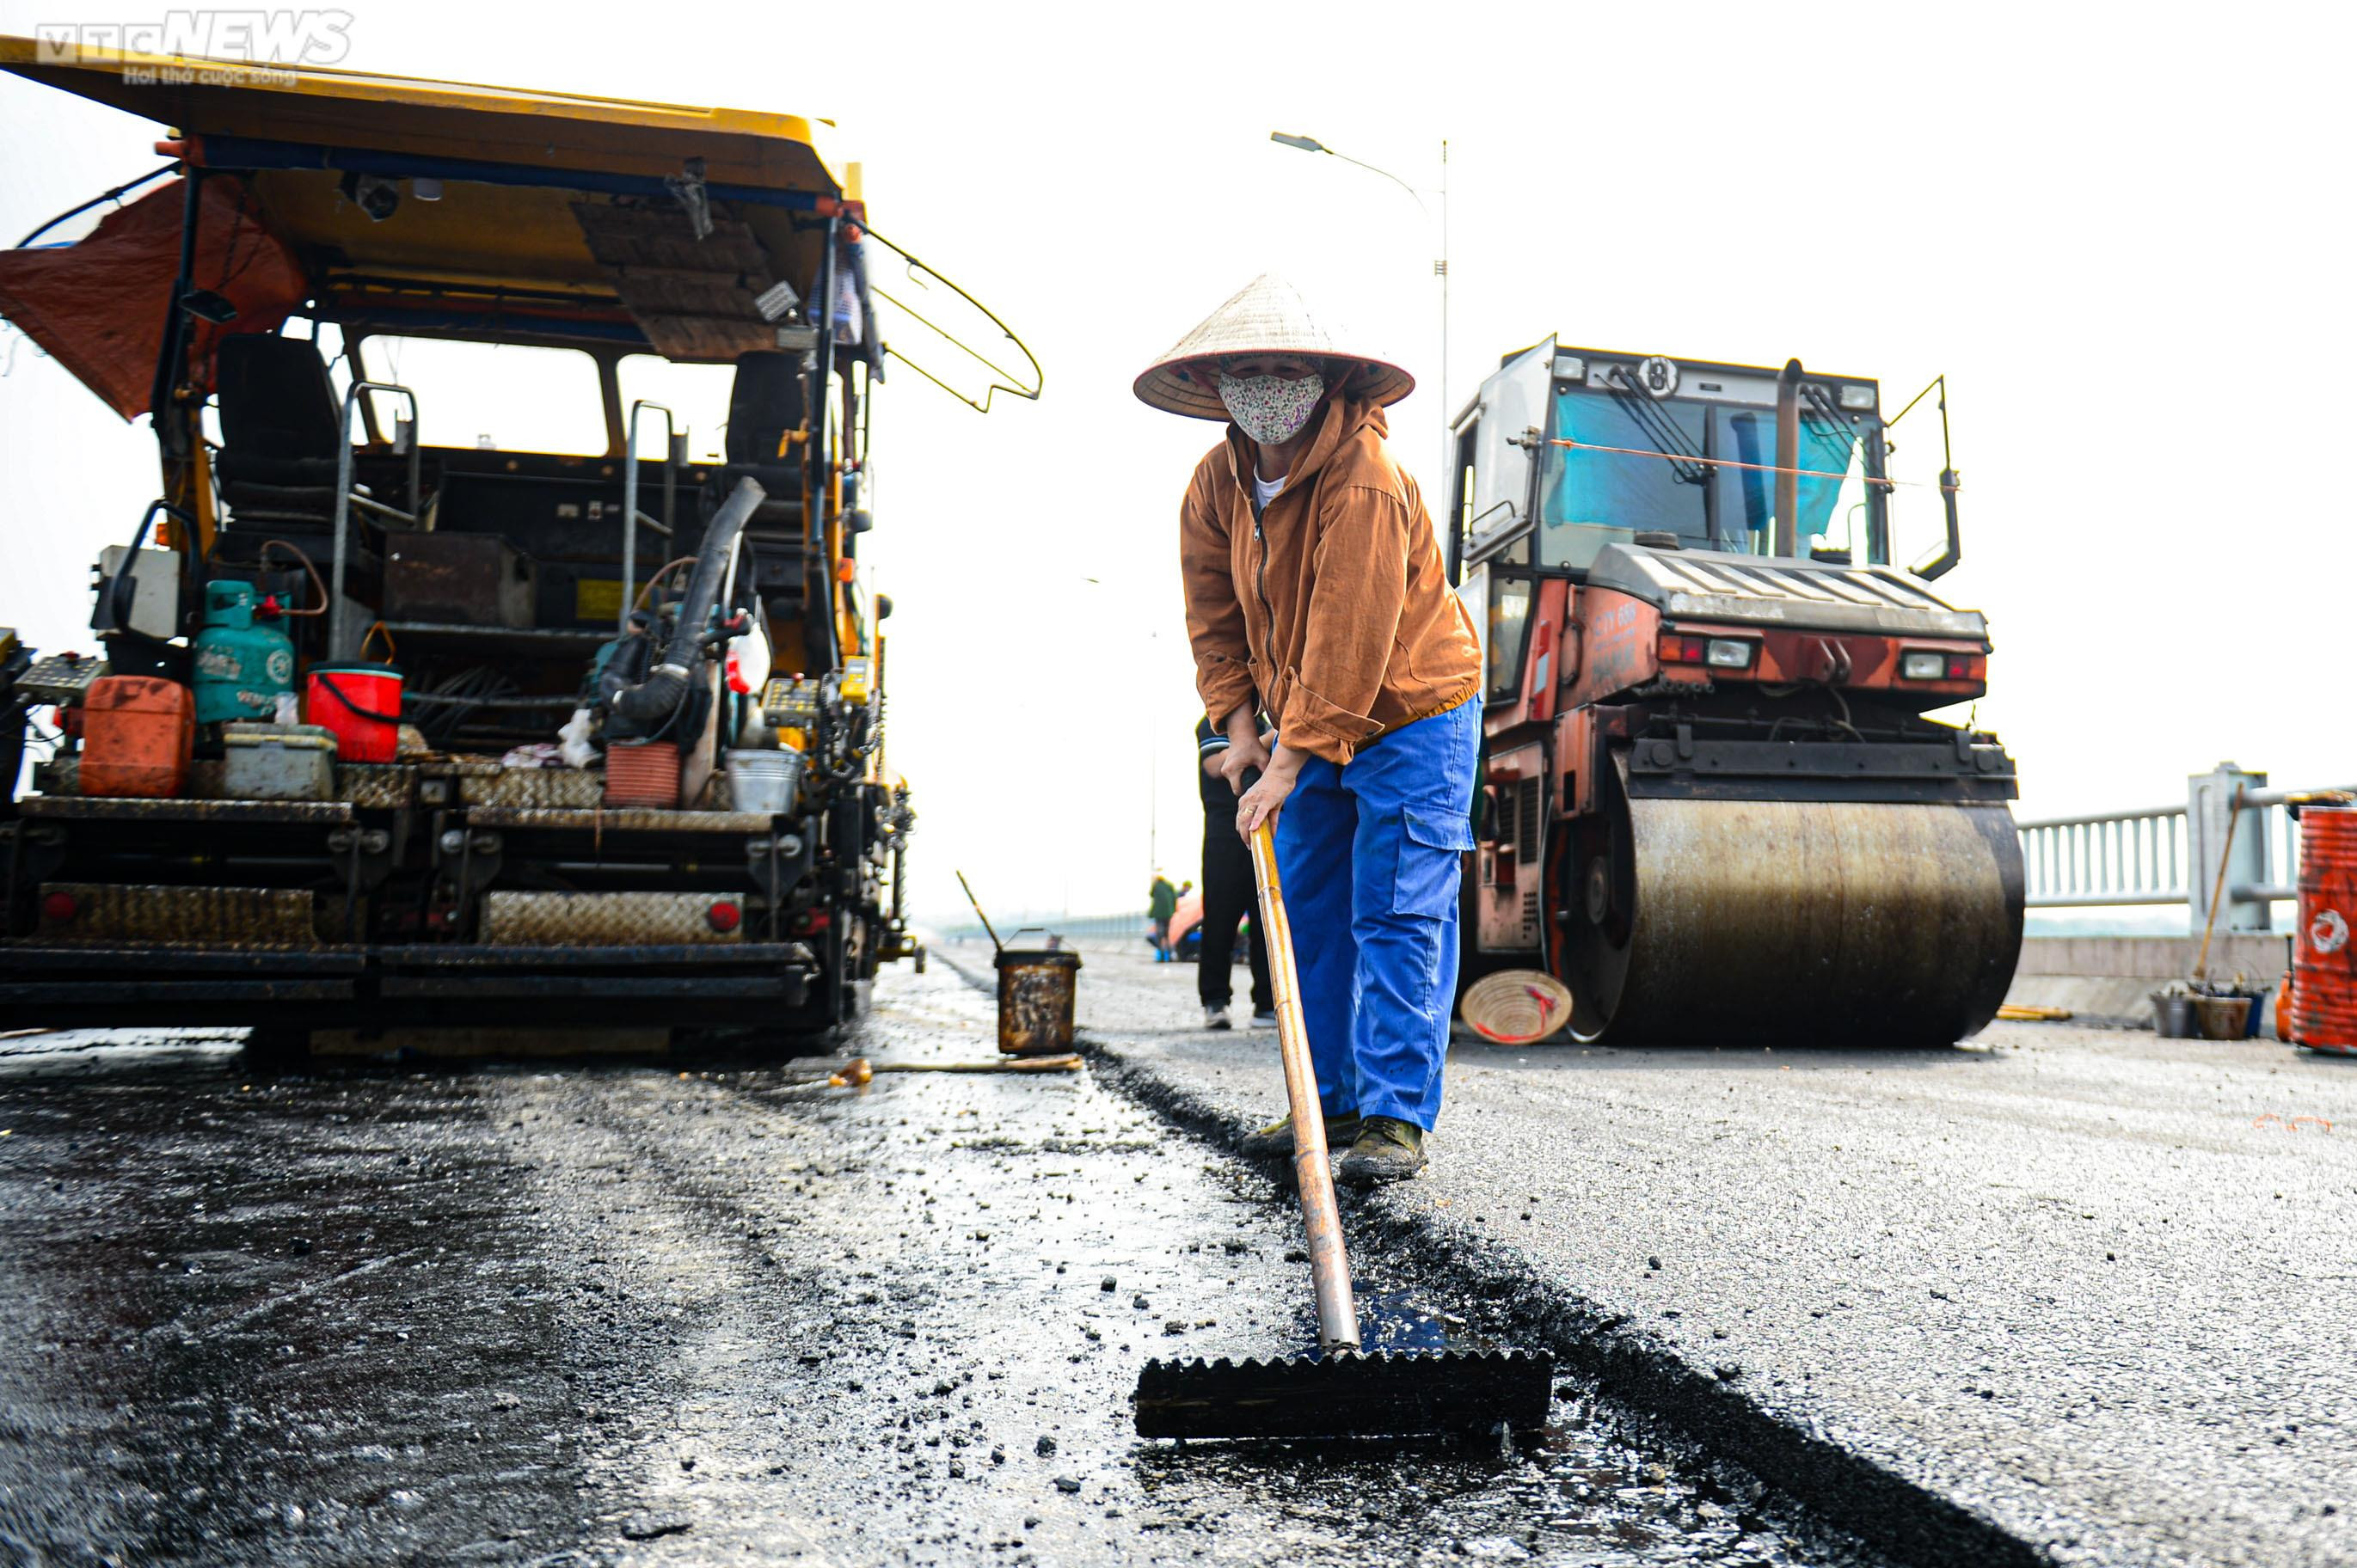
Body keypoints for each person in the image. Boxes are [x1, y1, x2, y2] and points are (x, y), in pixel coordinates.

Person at [1136, 274, 1482, 1185]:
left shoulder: (1362, 481)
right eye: (1248, 368)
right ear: (1219, 385)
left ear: (1325, 380)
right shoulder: (1216, 481)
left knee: (1396, 909)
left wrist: (1285, 763)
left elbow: (1348, 636)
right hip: (1299, 716)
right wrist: (1238, 729)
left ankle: (1391, 1118)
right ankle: (1320, 1102)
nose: (1267, 383)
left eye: (1286, 367)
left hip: (1411, 708)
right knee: (1305, 914)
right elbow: (1211, 615)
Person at [1195, 714, 1275, 1031]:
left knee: (1265, 920)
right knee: (1220, 919)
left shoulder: (1266, 723)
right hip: (1224, 832)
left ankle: (1267, 1004)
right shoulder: (1214, 722)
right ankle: (1215, 1001)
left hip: (1263, 828)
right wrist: (1280, 736)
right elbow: (1217, 765)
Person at [1147, 870, 1178, 962]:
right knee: (1167, 935)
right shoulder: (1169, 885)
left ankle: (1161, 957)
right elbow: (1174, 898)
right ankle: (1171, 956)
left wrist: (1153, 882)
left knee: (1160, 935)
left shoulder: (1156, 886)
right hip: (1168, 913)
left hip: (1159, 914)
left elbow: (1151, 894)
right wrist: (1173, 910)